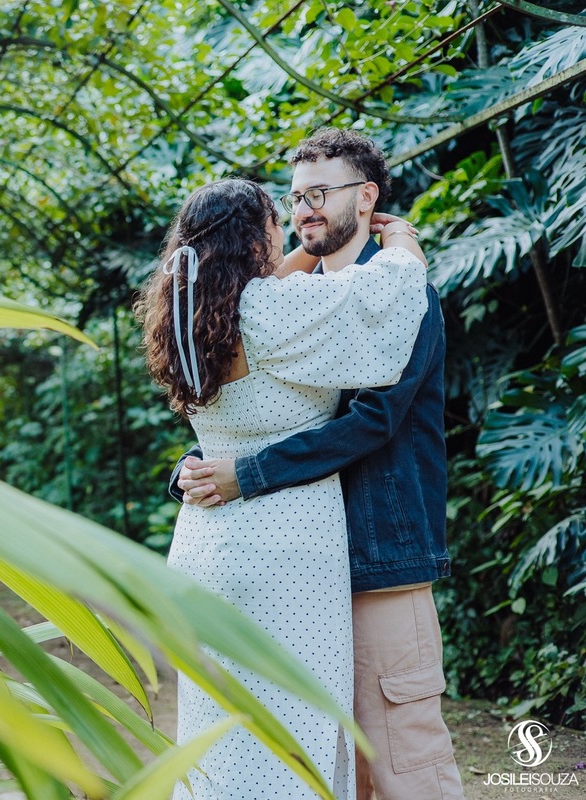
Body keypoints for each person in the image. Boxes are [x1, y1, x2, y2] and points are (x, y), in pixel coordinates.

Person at [171, 129, 465, 800]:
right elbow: (254, 411)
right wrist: (200, 464)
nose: (304, 209)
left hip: (375, 555)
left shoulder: (394, 296)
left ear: (366, 198)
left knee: (404, 760)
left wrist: (245, 475)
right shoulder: (287, 302)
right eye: (295, 196)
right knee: (329, 764)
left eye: (320, 194)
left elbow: (372, 419)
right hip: (301, 567)